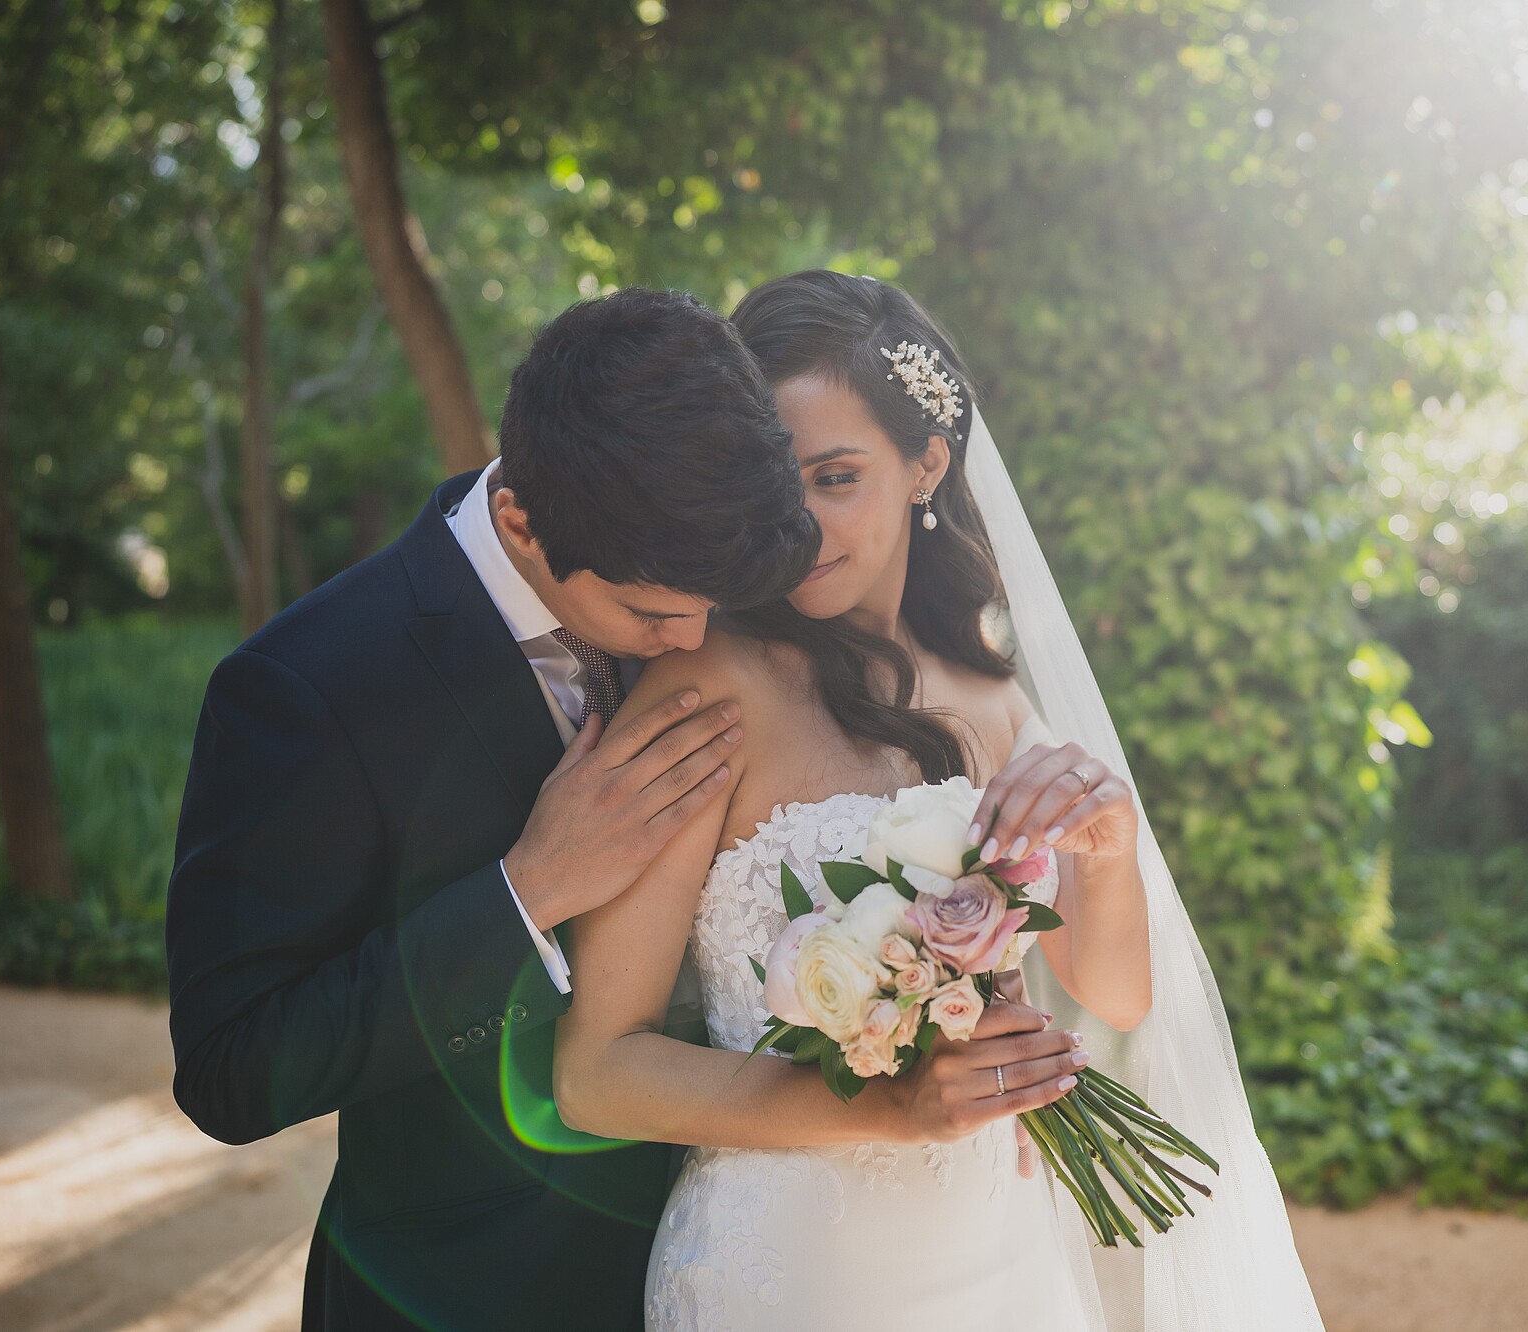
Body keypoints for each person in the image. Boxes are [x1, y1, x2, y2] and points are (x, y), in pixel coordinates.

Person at [165, 288, 1081, 1332]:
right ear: (519, 521)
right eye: (650, 613)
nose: (692, 640)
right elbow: (232, 1073)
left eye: (712, 603)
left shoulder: (682, 514)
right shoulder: (309, 687)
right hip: (475, 1290)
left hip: (766, 1248)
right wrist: (525, 892)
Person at [552, 271, 1325, 1330]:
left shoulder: (995, 701)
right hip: (789, 1268)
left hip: (997, 1257)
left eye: (835, 477)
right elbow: (597, 1073)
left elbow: (1113, 997)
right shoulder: (704, 692)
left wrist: (1103, 854)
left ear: (926, 463)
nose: (799, 522)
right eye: (773, 482)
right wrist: (889, 1106)